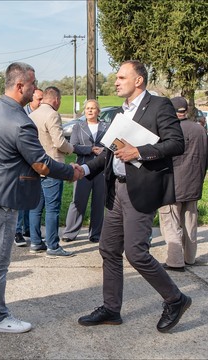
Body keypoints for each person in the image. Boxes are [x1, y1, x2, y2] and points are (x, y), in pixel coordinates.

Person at [0, 62, 83, 334]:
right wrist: (71, 172)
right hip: (1, 200)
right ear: (20, 86)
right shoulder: (21, 122)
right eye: (33, 85)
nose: (37, 90)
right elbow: (42, 165)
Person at [78, 60, 191, 333]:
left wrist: (139, 152)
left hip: (141, 189)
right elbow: (108, 152)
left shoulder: (159, 105)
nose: (115, 81)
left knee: (137, 253)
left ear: (138, 80)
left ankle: (176, 299)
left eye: (121, 77)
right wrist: (82, 169)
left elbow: (176, 143)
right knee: (108, 248)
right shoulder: (121, 112)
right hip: (116, 189)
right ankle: (111, 309)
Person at [159, 96, 208, 272]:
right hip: (194, 183)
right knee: (190, 222)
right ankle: (190, 258)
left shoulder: (168, 130)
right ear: (185, 110)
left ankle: (175, 260)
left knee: (170, 222)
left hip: (172, 184)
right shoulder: (200, 129)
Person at [29, 86, 75, 257]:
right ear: (55, 99)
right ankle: (53, 246)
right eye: (60, 100)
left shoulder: (32, 115)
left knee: (35, 207)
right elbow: (59, 142)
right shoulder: (52, 114)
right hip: (52, 165)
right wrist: (71, 149)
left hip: (34, 165)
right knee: (52, 208)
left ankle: (35, 241)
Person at [62, 99, 107, 244]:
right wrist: (90, 149)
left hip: (101, 168)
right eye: (87, 108)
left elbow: (114, 144)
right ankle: (70, 232)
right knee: (78, 201)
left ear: (98, 111)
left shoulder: (106, 126)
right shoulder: (77, 127)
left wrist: (103, 150)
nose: (90, 111)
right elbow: (73, 146)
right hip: (83, 168)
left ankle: (96, 234)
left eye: (93, 108)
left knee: (99, 202)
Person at [14, 88, 44, 247]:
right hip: (22, 163)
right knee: (20, 198)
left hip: (35, 162)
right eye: (39, 99)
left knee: (30, 197)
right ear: (32, 99)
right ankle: (17, 231)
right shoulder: (22, 115)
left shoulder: (41, 115)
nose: (41, 102)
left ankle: (28, 229)